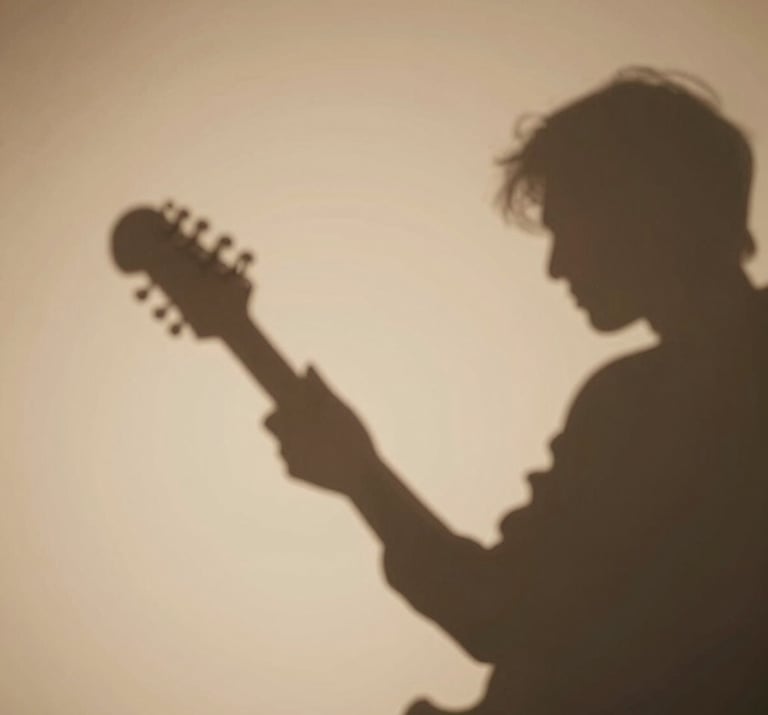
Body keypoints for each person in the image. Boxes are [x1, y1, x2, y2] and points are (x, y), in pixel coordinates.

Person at [263, 67, 768, 713]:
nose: (556, 266)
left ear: (640, 209)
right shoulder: (636, 396)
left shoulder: (634, 403)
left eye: (566, 226)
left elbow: (501, 610)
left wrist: (360, 475)